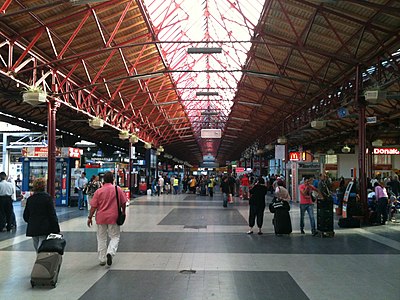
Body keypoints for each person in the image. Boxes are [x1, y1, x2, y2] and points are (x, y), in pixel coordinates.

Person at [87, 171, 127, 266]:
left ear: (103, 180)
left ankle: (102, 259)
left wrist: (89, 217)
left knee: (101, 238)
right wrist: (123, 211)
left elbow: (93, 207)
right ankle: (110, 252)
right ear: (113, 179)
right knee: (115, 236)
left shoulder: (98, 191)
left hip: (101, 218)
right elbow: (123, 202)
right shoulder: (118, 190)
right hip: (114, 217)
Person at [23, 178, 60, 251]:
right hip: (44, 226)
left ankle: (39, 260)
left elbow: (26, 215)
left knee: (37, 246)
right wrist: (56, 228)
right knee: (42, 246)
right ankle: (41, 260)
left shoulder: (30, 199)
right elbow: (52, 214)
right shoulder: (47, 198)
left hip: (33, 227)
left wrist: (31, 221)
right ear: (44, 187)